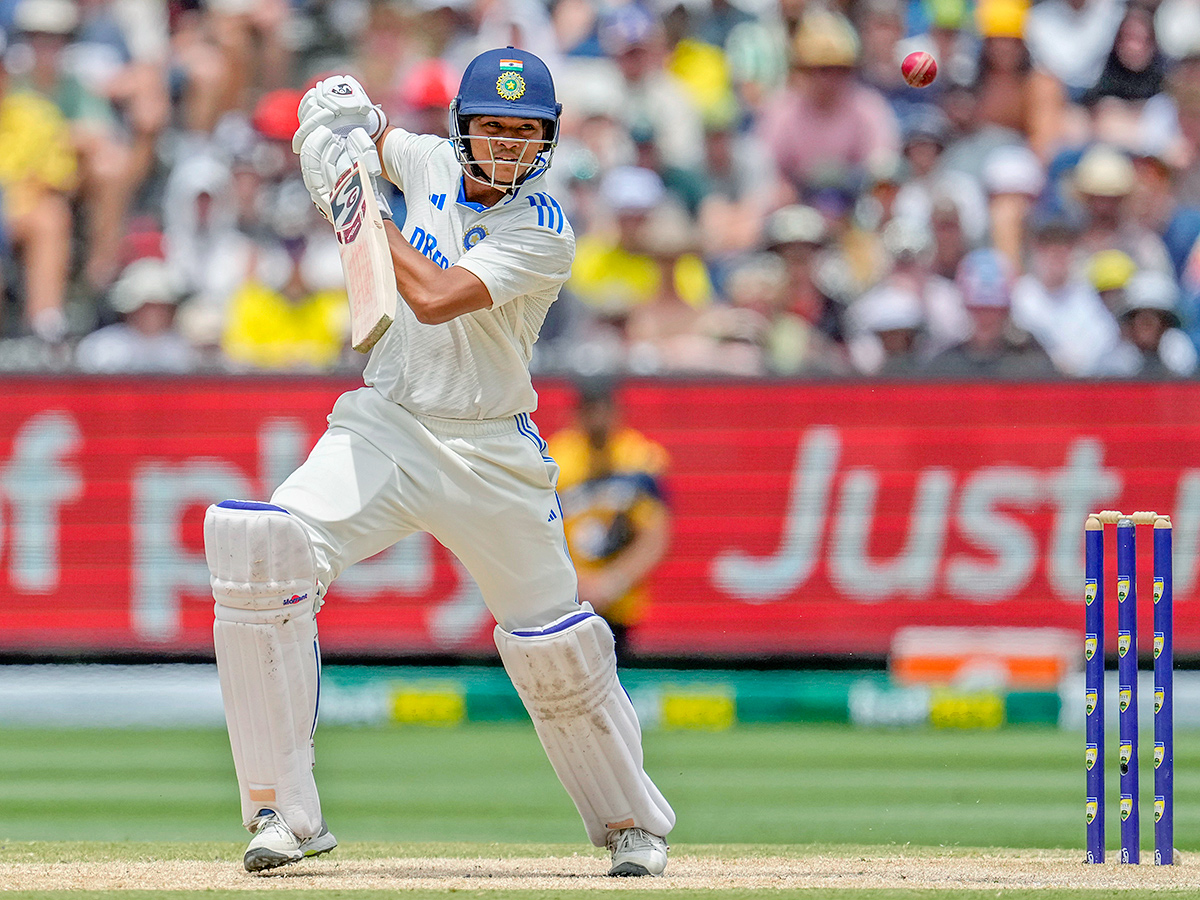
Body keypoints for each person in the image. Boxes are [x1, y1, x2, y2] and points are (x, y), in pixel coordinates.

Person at [201, 48, 674, 877]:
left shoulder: (545, 230)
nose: (504, 147)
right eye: (490, 127)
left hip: (491, 449)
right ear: (461, 127)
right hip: (387, 421)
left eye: (523, 133)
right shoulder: (425, 163)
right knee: (257, 555)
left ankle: (631, 822)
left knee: (554, 643)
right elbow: (370, 135)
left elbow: (435, 293)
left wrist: (356, 208)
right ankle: (283, 812)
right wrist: (338, 117)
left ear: (548, 142)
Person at [547, 380, 671, 664]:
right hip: (567, 600)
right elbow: (538, 534)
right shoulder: (555, 460)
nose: (598, 421)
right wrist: (576, 579)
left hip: (620, 599)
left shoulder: (640, 460)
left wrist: (615, 579)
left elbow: (655, 535)